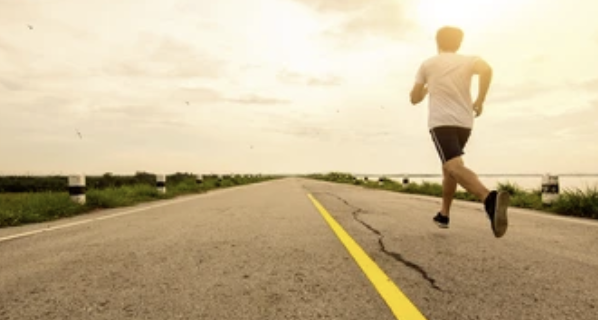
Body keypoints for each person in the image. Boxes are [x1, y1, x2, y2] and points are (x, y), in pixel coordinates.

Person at [409, 26, 510, 238]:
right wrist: (480, 100)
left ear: (437, 42)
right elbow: (487, 70)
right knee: (450, 168)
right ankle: (444, 214)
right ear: (459, 43)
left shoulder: (428, 64)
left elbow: (414, 99)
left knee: (452, 165)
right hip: (465, 122)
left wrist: (429, 84)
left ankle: (488, 198)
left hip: (441, 122)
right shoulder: (469, 60)